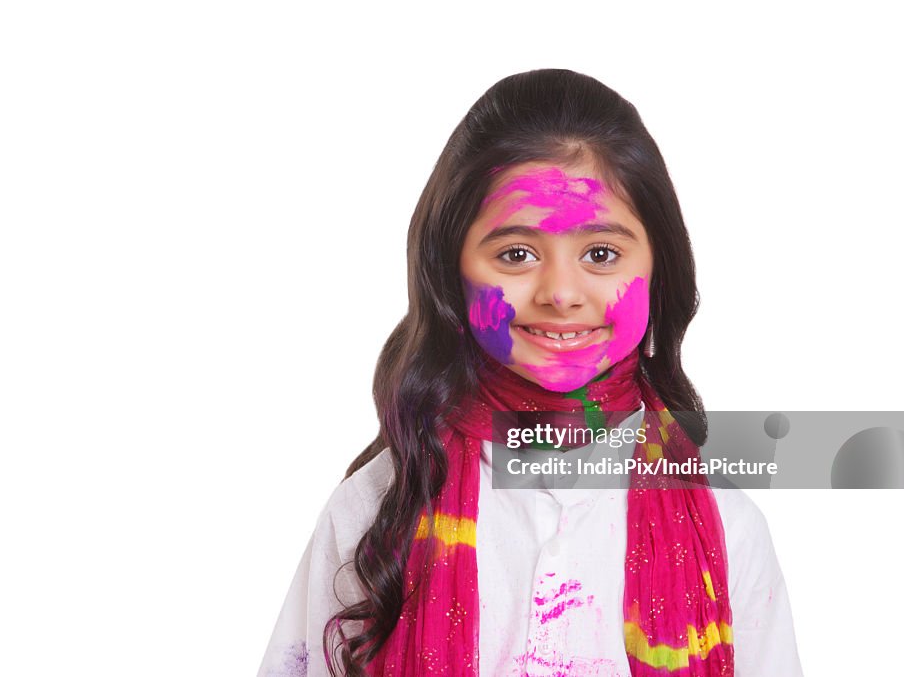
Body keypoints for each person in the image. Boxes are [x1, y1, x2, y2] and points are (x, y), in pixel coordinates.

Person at [258, 69, 803, 677]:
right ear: (450, 269)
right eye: (517, 254)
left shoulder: (727, 529)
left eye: (601, 254)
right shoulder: (375, 511)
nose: (562, 293)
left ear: (660, 269)